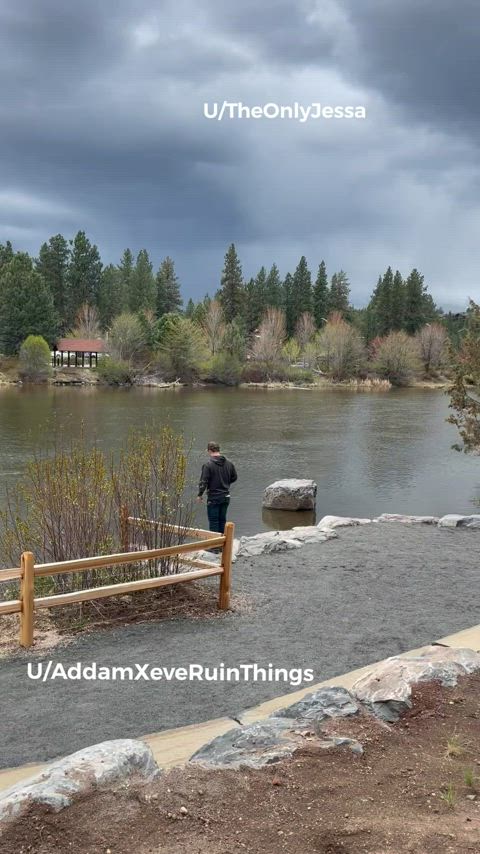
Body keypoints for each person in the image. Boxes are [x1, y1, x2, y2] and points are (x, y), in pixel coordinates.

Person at [197, 441, 237, 534]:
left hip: (214, 497)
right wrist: (225, 483)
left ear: (209, 450)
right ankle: (222, 545)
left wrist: (200, 495)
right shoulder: (229, 463)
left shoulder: (208, 465)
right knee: (222, 520)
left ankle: (214, 547)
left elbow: (204, 481)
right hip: (226, 496)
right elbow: (234, 477)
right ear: (219, 450)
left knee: (214, 521)